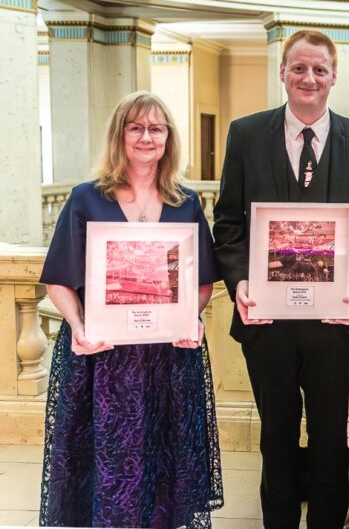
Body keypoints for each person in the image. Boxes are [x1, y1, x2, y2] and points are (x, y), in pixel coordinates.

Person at [213, 29, 349, 529]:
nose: (308, 77)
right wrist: (241, 283)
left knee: (333, 436)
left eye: (318, 69)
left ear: (334, 76)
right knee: (276, 436)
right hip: (265, 319)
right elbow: (227, 224)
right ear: (283, 73)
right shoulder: (246, 135)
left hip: (336, 321)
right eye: (298, 68)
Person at [39, 91, 223, 528]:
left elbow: (202, 283)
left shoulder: (186, 202)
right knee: (107, 472)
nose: (146, 137)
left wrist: (190, 319)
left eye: (156, 128)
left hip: (167, 359)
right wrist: (80, 326)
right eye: (135, 127)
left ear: (168, 138)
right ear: (120, 136)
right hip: (102, 359)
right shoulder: (86, 198)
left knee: (166, 471)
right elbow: (58, 279)